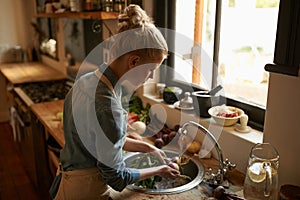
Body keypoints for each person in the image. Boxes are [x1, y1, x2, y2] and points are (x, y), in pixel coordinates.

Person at [49, 4, 180, 200]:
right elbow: (116, 178)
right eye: (150, 69)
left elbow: (103, 140)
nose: (150, 76)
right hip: (86, 191)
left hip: (68, 180)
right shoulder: (109, 107)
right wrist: (158, 170)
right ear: (134, 61)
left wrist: (148, 147)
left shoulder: (84, 82)